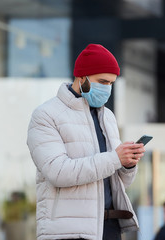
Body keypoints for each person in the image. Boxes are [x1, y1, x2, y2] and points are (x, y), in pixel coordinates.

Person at [27, 43, 145, 240]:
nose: (107, 88)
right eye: (102, 81)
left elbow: (119, 183)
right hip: (68, 232)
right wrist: (115, 159)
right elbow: (58, 173)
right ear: (81, 77)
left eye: (111, 83)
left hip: (109, 228)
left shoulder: (108, 117)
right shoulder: (46, 115)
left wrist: (127, 164)